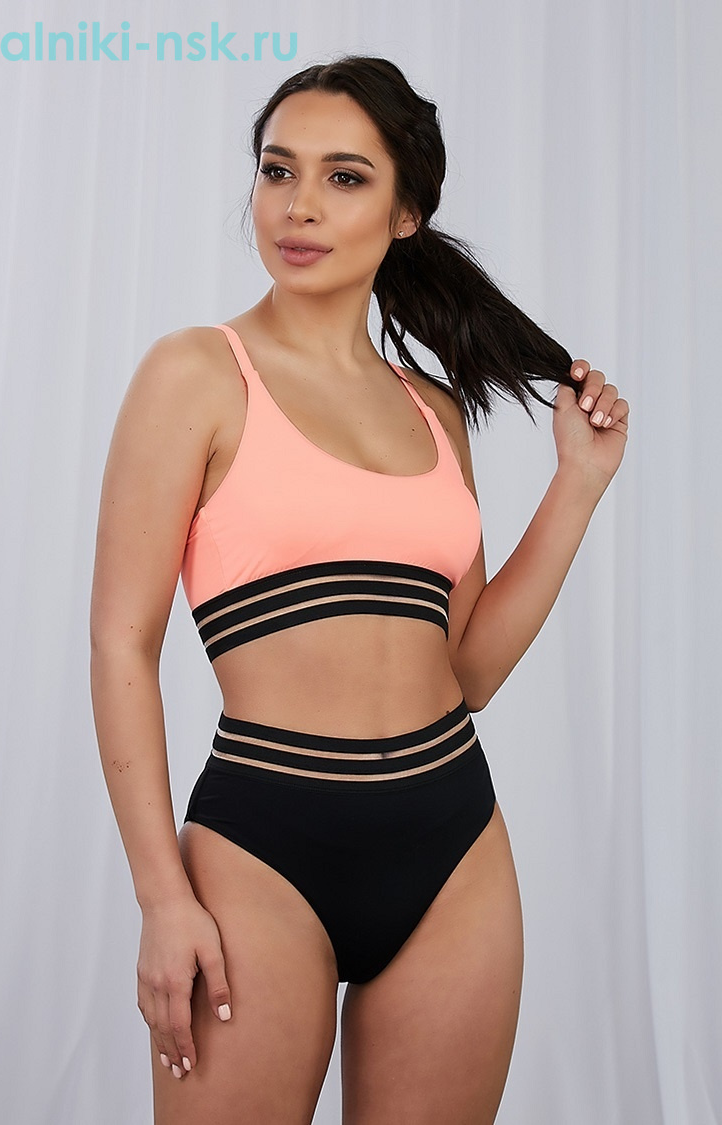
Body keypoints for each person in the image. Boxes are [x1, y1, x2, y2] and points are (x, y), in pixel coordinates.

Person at [89, 54, 629, 1125]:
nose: (298, 205)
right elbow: (121, 643)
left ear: (406, 213)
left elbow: (468, 671)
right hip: (262, 847)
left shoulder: (434, 409)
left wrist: (577, 487)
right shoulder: (195, 374)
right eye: (277, 170)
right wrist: (161, 897)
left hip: (454, 842)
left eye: (344, 178)